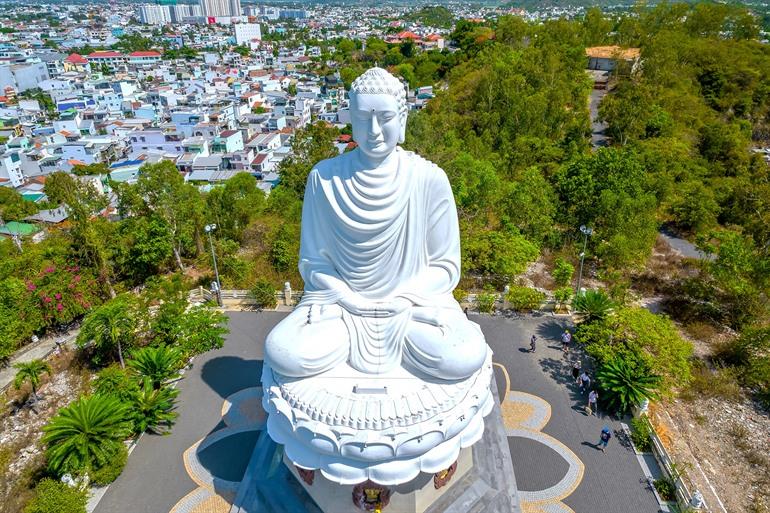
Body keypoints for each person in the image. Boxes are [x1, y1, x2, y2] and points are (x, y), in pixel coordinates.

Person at [263, 67, 489, 381]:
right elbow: (313, 264)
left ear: (402, 119)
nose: (374, 131)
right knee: (284, 351)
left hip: (411, 308)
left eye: (384, 118)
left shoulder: (429, 179)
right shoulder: (324, 178)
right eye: (362, 119)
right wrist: (348, 299)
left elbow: (445, 267)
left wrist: (400, 300)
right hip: (341, 308)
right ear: (350, 119)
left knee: (462, 355)